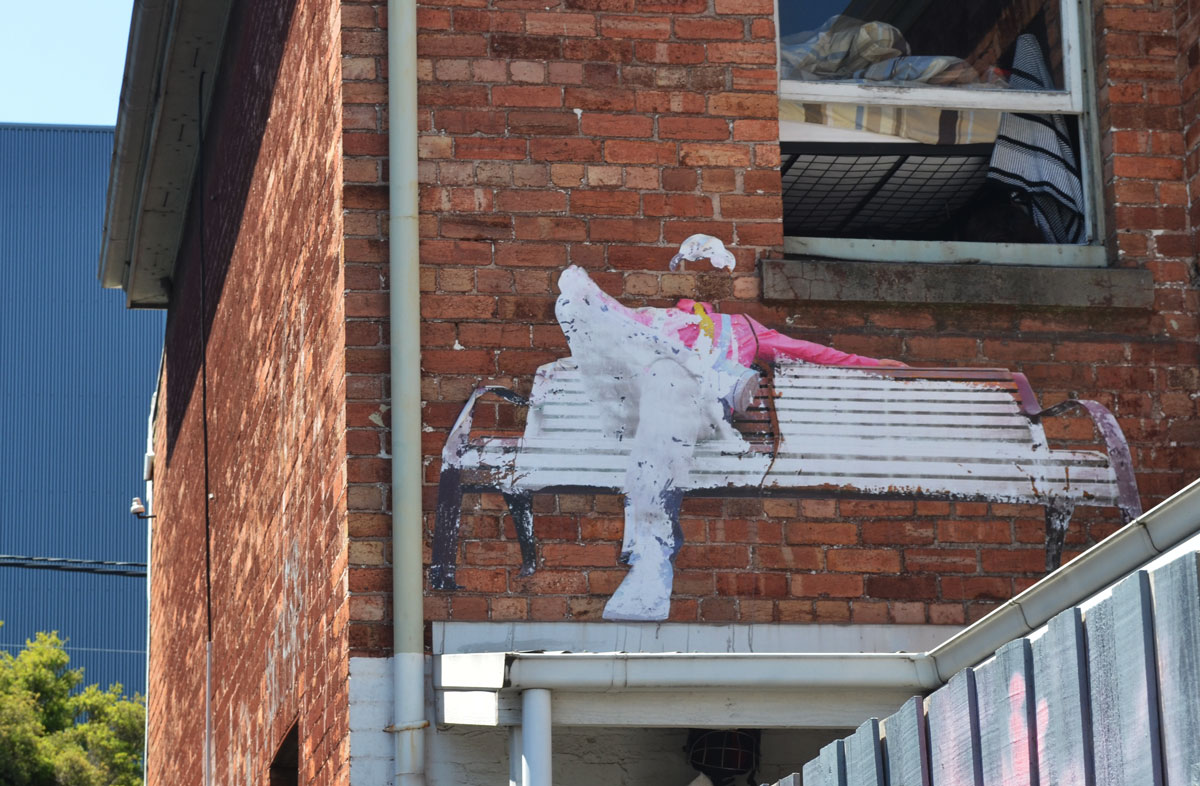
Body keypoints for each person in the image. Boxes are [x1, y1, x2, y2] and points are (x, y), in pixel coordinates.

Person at [555, 263, 902, 620]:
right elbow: (609, 333)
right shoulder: (651, 318)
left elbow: (803, 350)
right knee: (588, 317)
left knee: (668, 374)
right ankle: (680, 361)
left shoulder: (740, 326)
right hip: (636, 407)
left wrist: (870, 364)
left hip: (697, 411)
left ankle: (652, 560)